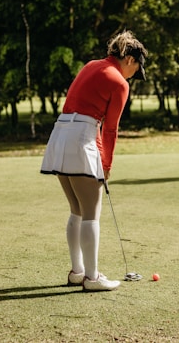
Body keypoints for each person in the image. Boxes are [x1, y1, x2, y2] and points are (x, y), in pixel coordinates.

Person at [40, 31, 147, 291]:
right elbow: (109, 129)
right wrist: (106, 165)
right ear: (130, 59)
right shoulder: (120, 82)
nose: (134, 74)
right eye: (137, 68)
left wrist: (101, 160)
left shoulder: (90, 65)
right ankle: (92, 277)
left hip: (60, 133)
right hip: (80, 137)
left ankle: (77, 272)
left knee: (76, 208)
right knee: (91, 212)